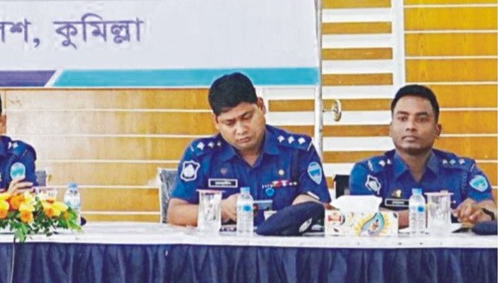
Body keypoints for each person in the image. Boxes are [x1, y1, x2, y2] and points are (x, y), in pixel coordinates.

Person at [168, 72, 330, 226]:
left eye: (247, 117)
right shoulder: (201, 155)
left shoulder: (298, 151)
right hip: (225, 245)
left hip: (284, 244)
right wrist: (221, 209)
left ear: (261, 106)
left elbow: (323, 206)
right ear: (216, 121)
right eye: (229, 123)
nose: (241, 130)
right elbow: (175, 213)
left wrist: (305, 207)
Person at [349, 84, 495, 227]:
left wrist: (482, 213)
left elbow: (490, 207)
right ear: (390, 129)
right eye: (403, 118)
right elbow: (362, 217)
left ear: (437, 130)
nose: (411, 126)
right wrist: (429, 214)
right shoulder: (369, 172)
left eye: (422, 119)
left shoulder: (464, 171)